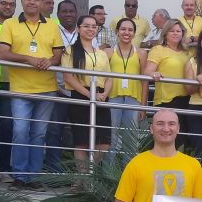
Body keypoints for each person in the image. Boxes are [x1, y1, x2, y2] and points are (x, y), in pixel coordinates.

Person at [0, 0, 64, 188]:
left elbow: (58, 55)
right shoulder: (10, 24)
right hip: (20, 88)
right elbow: (2, 52)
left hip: (46, 88)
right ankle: (19, 176)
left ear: (41, 3)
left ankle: (33, 177)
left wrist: (50, 61)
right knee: (20, 131)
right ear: (22, 1)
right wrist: (28, 59)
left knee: (39, 134)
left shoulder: (52, 25)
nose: (32, 2)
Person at [62, 15, 113, 168]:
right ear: (78, 29)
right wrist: (90, 95)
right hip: (81, 95)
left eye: (94, 26)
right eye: (86, 26)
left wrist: (104, 94)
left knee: (104, 143)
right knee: (82, 141)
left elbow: (109, 77)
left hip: (101, 97)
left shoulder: (102, 53)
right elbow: (68, 77)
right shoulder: (70, 51)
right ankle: (82, 177)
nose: (91, 29)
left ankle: (90, 171)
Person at [45, 0, 79, 172]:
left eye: (71, 11)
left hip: (79, 91)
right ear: (57, 14)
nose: (68, 14)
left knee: (78, 132)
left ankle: (77, 172)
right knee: (54, 131)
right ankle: (54, 171)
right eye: (64, 11)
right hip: (57, 89)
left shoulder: (84, 31)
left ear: (76, 13)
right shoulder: (52, 31)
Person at [107, 17, 147, 156]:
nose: (126, 32)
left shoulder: (141, 53)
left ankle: (128, 167)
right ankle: (109, 168)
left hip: (133, 99)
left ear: (134, 33)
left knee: (130, 138)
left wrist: (143, 106)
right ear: (117, 31)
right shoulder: (108, 52)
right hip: (113, 97)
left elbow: (144, 81)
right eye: (123, 29)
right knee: (111, 136)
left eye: (130, 30)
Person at [0, 0, 17, 175]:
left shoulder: (17, 26)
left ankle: (2, 165)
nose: (7, 7)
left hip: (11, 83)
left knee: (7, 127)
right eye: (4, 3)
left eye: (11, 4)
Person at [145, 20, 192, 115]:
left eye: (178, 31)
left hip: (187, 99)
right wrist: (154, 74)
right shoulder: (158, 49)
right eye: (172, 31)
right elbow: (147, 72)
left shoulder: (187, 52)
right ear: (165, 33)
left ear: (182, 33)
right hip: (166, 100)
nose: (175, 33)